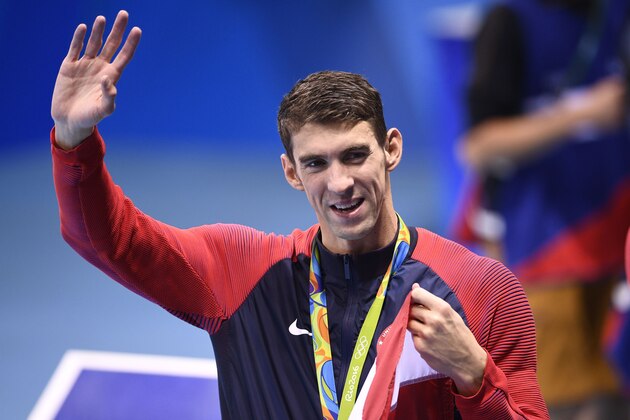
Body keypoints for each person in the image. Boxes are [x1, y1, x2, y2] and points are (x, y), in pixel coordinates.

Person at [51, 10, 548, 419]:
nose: (339, 183)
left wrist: (476, 378)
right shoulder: (239, 270)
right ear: (291, 171)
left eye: (355, 155)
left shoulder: (482, 289)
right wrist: (74, 140)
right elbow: (111, 241)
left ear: (391, 149)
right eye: (316, 163)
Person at [455, 0, 630, 417]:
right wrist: (582, 113)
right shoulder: (508, 22)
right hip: (546, 251)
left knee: (616, 398)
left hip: (617, 244)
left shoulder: (615, 11)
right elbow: (478, 147)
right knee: (557, 404)